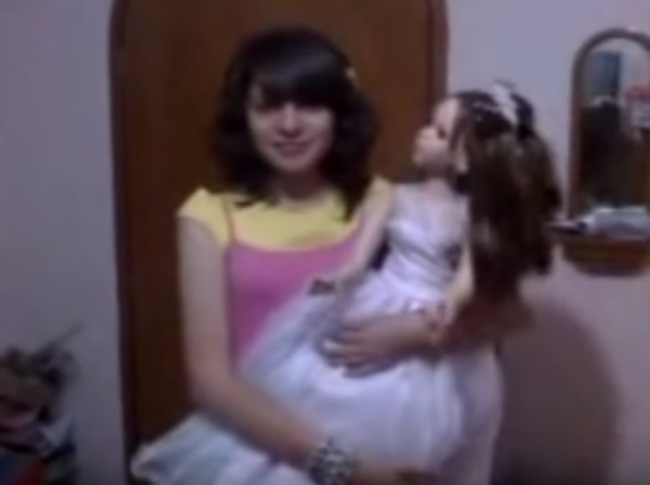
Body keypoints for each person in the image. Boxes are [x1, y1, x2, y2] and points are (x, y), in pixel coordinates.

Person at [132, 27, 559, 485]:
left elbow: (510, 314)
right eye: (268, 107)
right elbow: (210, 383)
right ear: (244, 117)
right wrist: (346, 469)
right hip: (266, 450)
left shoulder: (381, 200)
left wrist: (415, 333)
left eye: (310, 105)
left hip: (383, 431)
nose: (289, 124)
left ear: (338, 114)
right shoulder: (209, 215)